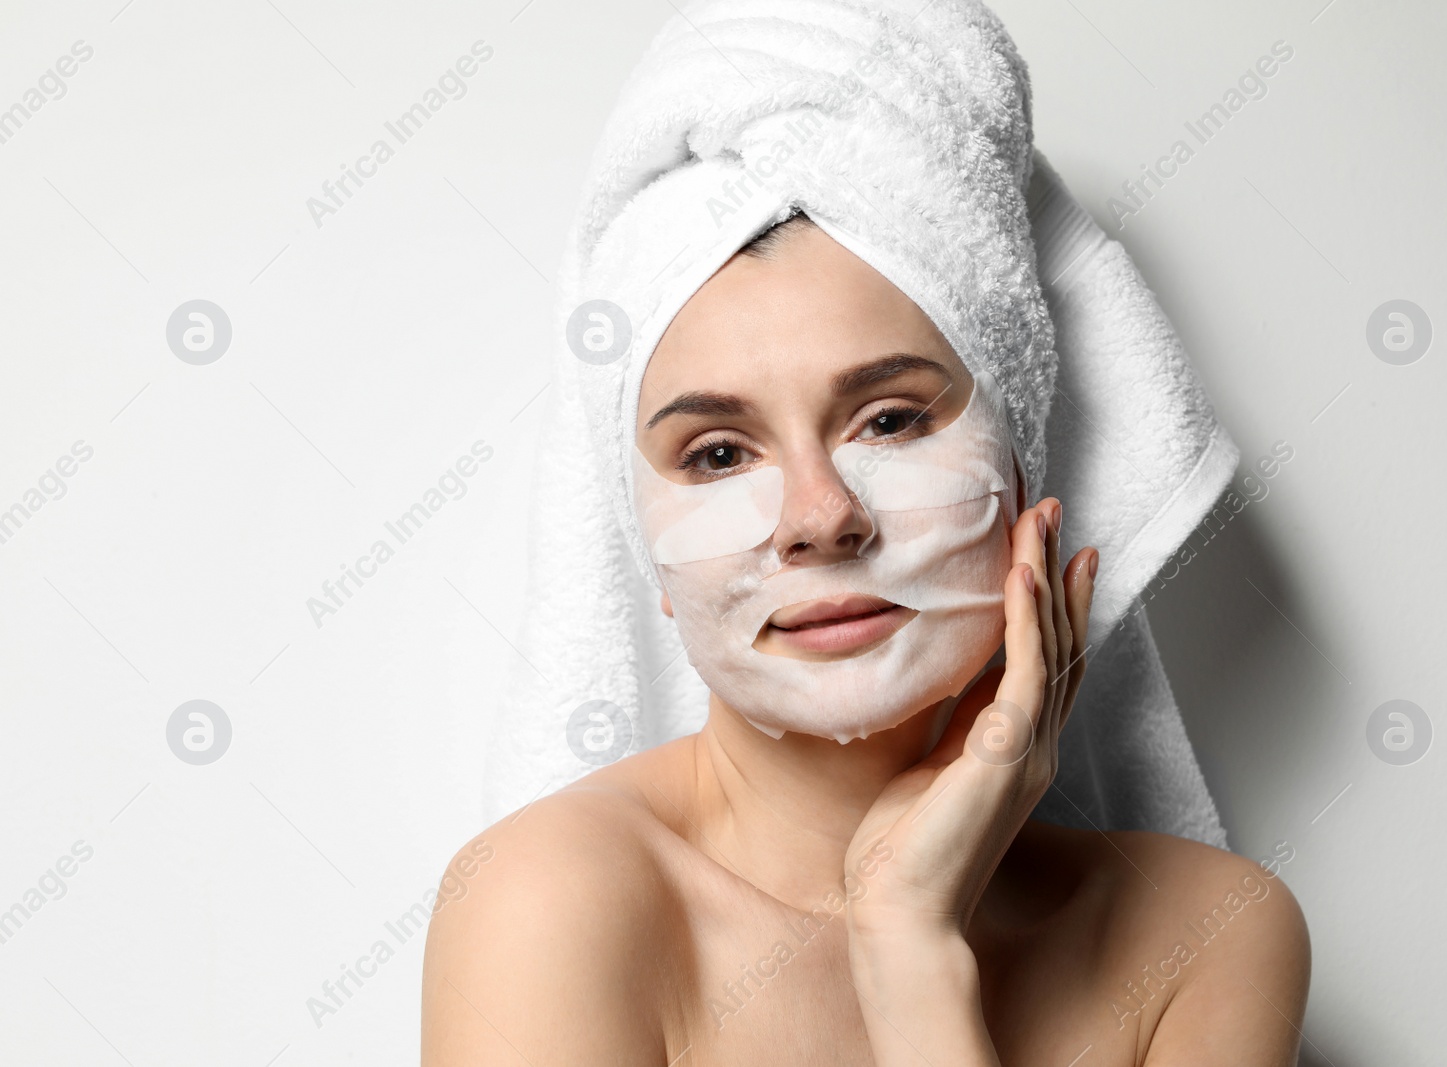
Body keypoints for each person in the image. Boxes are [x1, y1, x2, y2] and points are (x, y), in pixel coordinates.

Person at [421, 212, 1311, 1065]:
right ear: (650, 557)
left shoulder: (1206, 934)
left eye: (889, 420)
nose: (821, 517)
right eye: (720, 455)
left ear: (1020, 472)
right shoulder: (545, 903)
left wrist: (910, 945)